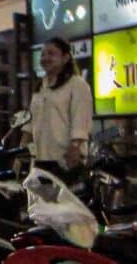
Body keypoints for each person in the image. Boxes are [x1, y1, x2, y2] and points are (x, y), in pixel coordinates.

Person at [21, 37, 93, 174]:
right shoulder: (40, 87)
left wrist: (75, 148)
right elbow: (30, 121)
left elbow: (80, 119)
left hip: (67, 160)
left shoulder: (77, 84)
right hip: (40, 160)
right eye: (43, 54)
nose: (45, 58)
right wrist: (22, 148)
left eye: (51, 53)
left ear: (65, 58)